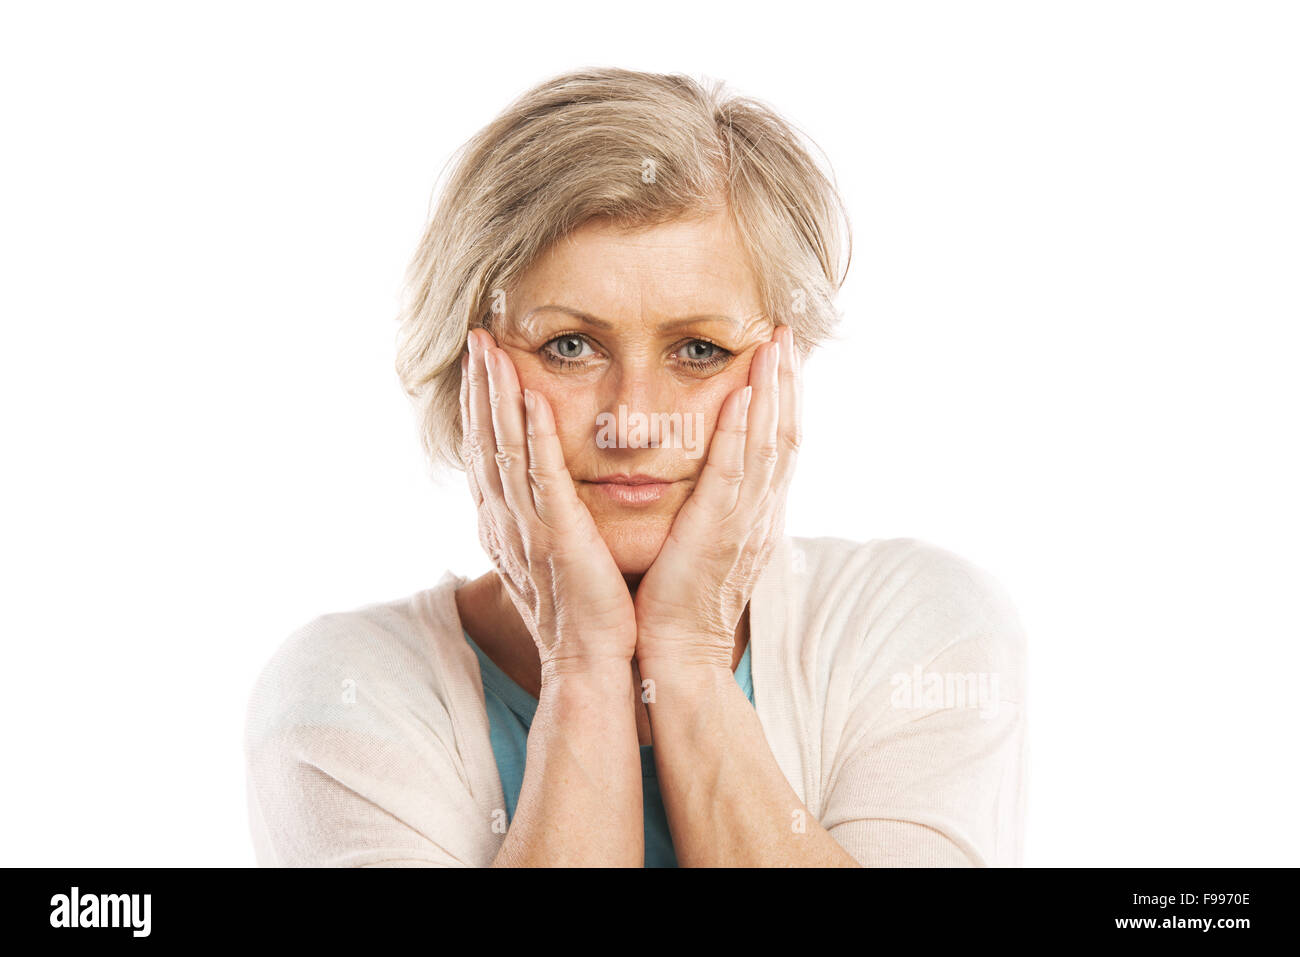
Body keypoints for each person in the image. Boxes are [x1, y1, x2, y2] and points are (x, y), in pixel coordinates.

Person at [243, 67, 1028, 867]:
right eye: (570, 346)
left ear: (779, 375)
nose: (633, 422)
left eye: (699, 349)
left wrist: (687, 661)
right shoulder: (341, 693)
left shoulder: (916, 630)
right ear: (464, 369)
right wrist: (582, 667)